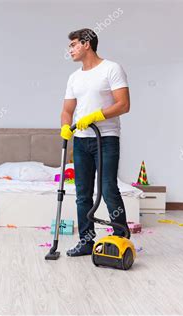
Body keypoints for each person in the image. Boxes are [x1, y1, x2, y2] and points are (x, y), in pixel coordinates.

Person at [60, 28, 131, 256]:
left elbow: (123, 104)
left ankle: (121, 237)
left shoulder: (111, 69)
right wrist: (64, 126)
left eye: (73, 45)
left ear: (86, 44)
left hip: (107, 138)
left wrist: (96, 116)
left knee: (108, 188)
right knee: (83, 193)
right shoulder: (74, 77)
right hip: (81, 142)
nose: (70, 50)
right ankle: (86, 241)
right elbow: (67, 109)